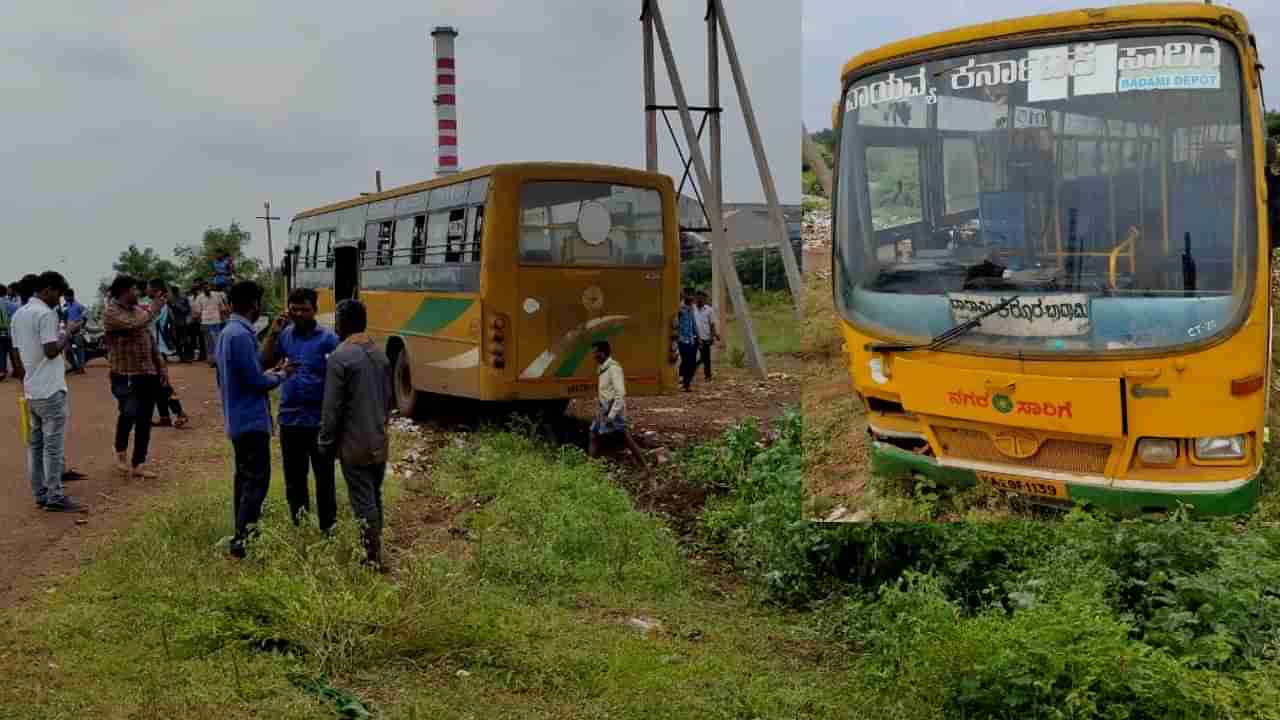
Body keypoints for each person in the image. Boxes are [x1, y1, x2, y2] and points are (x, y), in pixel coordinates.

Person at [218, 280, 296, 559]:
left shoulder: (230, 332)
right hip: (250, 419)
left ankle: (242, 535)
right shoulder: (239, 335)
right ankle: (244, 540)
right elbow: (254, 380)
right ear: (254, 304)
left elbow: (251, 368)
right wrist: (283, 374)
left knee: (245, 480)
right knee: (256, 482)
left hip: (238, 417)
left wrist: (272, 339)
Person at [318, 299, 392, 571]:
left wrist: (326, 442)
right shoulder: (380, 354)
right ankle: (376, 550)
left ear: (342, 323)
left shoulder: (341, 357)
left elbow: (332, 408)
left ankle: (372, 558)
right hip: (378, 438)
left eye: (337, 320)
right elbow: (387, 401)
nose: (335, 325)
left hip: (354, 443)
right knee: (374, 496)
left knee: (363, 502)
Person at [259, 288, 340, 532]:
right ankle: (301, 526)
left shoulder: (328, 339)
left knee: (324, 478)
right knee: (294, 480)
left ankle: (328, 528)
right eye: (294, 309)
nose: (299, 314)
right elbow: (264, 362)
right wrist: (273, 333)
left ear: (314, 310)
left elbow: (338, 379)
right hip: (290, 420)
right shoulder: (284, 336)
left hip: (319, 421)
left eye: (304, 309)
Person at [12, 272, 86, 513]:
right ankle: (54, 495)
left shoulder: (19, 315)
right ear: (47, 290)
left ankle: (41, 493)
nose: (59, 299)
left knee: (35, 446)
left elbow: (15, 354)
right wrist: (69, 332)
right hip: (50, 389)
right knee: (52, 446)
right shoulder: (45, 314)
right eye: (57, 293)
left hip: (32, 389)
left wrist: (27, 379)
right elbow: (52, 351)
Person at [103, 275, 166, 479]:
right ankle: (120, 450)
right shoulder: (111, 312)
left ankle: (138, 463)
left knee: (145, 419)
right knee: (129, 412)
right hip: (123, 374)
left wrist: (161, 367)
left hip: (146, 372)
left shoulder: (139, 311)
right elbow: (132, 325)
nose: (138, 293)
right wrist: (154, 309)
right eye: (134, 290)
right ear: (124, 291)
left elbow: (148, 339)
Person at [587, 340, 651, 478]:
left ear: (602, 353)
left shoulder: (613, 369)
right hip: (603, 409)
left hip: (612, 410)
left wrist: (611, 415)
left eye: (594, 352)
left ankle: (645, 467)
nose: (593, 355)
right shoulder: (603, 368)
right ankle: (590, 468)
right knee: (593, 433)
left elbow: (620, 394)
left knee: (625, 437)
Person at [145, 280, 189, 429]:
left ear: (157, 291)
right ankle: (165, 417)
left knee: (163, 385)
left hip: (157, 349)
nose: (146, 291)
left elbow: (153, 323)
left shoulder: (160, 306)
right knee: (156, 386)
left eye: (149, 288)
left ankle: (180, 413)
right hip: (154, 348)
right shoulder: (157, 305)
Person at [192, 280, 228, 368]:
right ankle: (212, 360)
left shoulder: (217, 295)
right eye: (204, 287)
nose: (206, 288)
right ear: (202, 289)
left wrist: (224, 319)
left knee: (217, 341)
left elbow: (222, 309)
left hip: (216, 321)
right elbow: (197, 312)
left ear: (210, 287)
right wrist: (200, 322)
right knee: (208, 343)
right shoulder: (199, 298)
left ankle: (218, 359)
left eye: (207, 286)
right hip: (205, 322)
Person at [693, 291, 719, 382]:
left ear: (705, 300)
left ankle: (708, 376)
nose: (699, 300)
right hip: (693, 337)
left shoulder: (709, 310)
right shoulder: (691, 309)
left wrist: (713, 336)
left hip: (705, 338)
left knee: (706, 358)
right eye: (698, 298)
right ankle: (687, 375)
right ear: (695, 299)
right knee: (690, 357)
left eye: (702, 299)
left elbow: (712, 325)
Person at [676, 289, 698, 392]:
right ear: (685, 296)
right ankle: (686, 384)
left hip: (691, 340)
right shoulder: (680, 309)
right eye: (689, 295)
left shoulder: (691, 309)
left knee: (691, 363)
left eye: (692, 295)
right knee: (686, 361)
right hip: (682, 339)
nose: (691, 297)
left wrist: (698, 337)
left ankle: (685, 382)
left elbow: (693, 324)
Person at [62, 288, 87, 374]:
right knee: (67, 350)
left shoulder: (79, 306)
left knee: (79, 350)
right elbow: (64, 317)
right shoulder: (66, 306)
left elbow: (85, 317)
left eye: (66, 296)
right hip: (68, 331)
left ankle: (81, 368)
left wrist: (81, 326)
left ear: (71, 296)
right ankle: (74, 366)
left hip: (78, 331)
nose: (64, 298)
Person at [169, 285, 193, 363]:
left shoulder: (184, 298)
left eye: (175, 292)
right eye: (173, 292)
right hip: (174, 323)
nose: (174, 294)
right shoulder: (170, 299)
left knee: (185, 340)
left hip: (183, 322)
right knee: (177, 341)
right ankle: (181, 357)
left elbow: (188, 310)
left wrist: (178, 307)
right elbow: (168, 311)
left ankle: (187, 357)